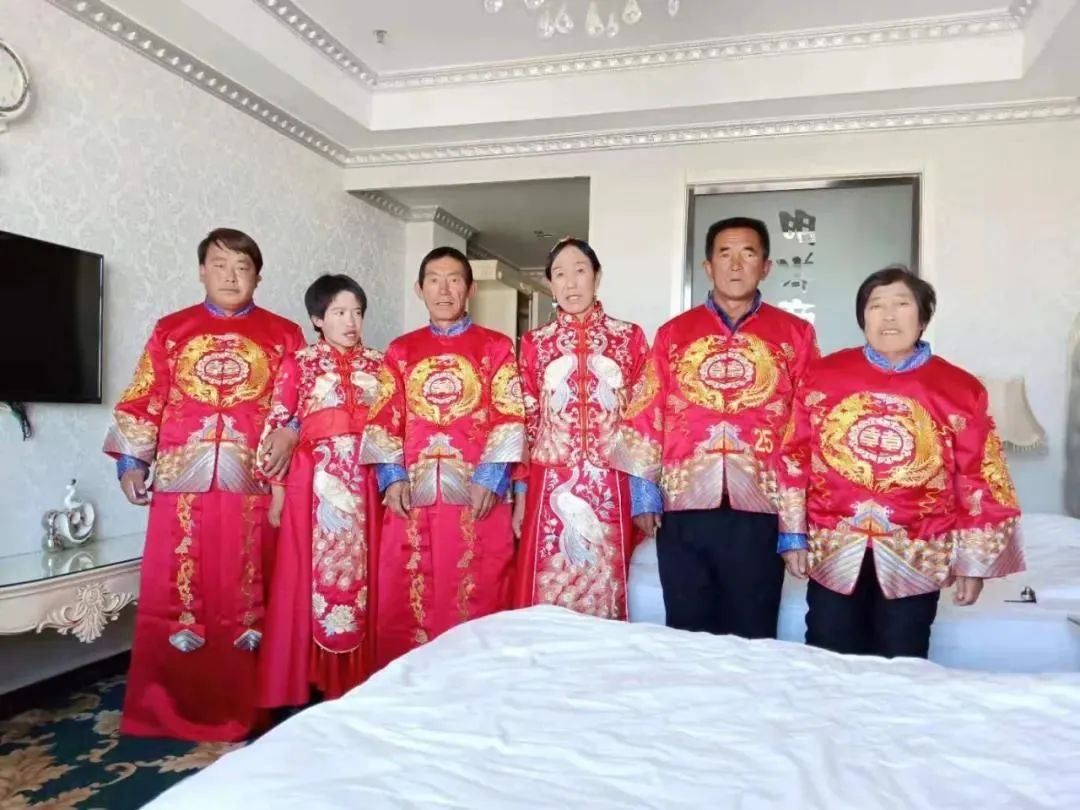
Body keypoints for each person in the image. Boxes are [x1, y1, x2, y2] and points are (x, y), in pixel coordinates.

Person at [103, 228, 304, 740]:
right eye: (220, 265)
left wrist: (291, 430)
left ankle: (250, 708)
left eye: (242, 267)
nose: (231, 277)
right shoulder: (172, 330)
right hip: (181, 484)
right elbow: (144, 397)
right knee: (178, 590)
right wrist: (131, 462)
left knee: (246, 593)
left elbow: (303, 400)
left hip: (254, 483)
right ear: (201, 271)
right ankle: (165, 708)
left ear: (258, 276)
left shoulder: (284, 335)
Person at [776, 266, 1024, 658]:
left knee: (902, 660)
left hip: (917, 554)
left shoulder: (959, 389)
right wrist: (793, 534)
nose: (888, 316)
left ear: (923, 317)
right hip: (833, 548)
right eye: (876, 306)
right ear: (863, 318)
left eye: (901, 304)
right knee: (826, 656)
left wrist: (972, 562)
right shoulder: (823, 376)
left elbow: (979, 477)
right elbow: (794, 457)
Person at [611, 217, 819, 639]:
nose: (736, 264)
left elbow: (809, 422)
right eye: (725, 254)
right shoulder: (674, 334)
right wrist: (645, 493)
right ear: (708, 266)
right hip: (684, 503)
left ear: (766, 266)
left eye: (748, 253)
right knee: (686, 626)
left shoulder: (795, 335)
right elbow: (646, 412)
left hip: (761, 504)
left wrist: (797, 519)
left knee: (753, 627)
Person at [359, 247, 526, 668]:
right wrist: (392, 476)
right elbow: (384, 416)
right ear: (420, 289)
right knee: (408, 594)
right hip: (413, 494)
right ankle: (408, 684)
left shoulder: (496, 347)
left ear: (470, 289)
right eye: (434, 280)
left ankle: (477, 680)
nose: (444, 290)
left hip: (476, 494)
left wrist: (491, 477)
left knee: (478, 589)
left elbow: (509, 414)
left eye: (454, 280)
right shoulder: (400, 351)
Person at [256, 274, 383, 708]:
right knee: (309, 577)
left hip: (367, 486)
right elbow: (278, 424)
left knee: (367, 574)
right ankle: (313, 678)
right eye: (339, 312)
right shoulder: (300, 363)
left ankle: (364, 675)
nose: (351, 322)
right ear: (317, 319)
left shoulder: (380, 364)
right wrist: (277, 493)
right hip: (313, 486)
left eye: (357, 313)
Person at [511, 238, 649, 619]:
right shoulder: (535, 344)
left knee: (609, 577)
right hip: (550, 482)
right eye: (560, 274)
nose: (571, 283)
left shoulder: (629, 338)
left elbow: (644, 417)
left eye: (580, 271)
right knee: (548, 583)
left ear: (597, 277)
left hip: (613, 482)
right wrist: (520, 494)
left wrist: (645, 494)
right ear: (550, 284)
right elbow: (526, 420)